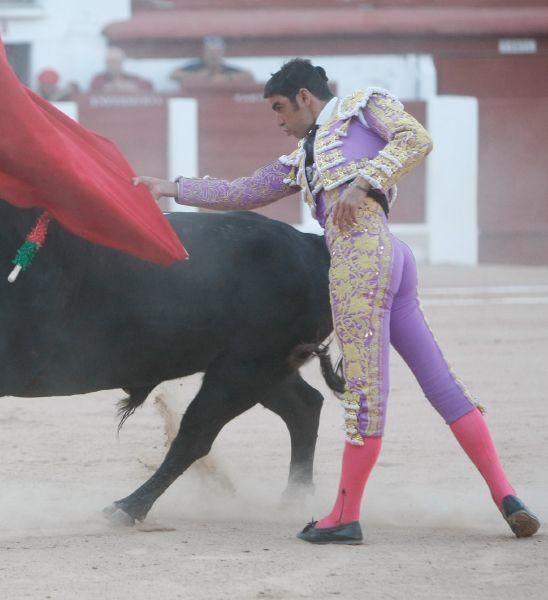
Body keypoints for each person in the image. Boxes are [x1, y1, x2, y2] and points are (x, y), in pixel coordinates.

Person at [134, 58, 540, 544]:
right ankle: (506, 496)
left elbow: (416, 139)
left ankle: (345, 516)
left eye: (281, 108)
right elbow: (244, 190)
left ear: (306, 96)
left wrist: (363, 183)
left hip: (359, 261)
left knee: (366, 398)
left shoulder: (363, 105)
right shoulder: (304, 155)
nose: (279, 121)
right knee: (441, 385)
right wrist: (171, 188)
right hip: (392, 257)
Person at [170, 35, 258, 91]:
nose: (214, 56)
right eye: (210, 52)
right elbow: (174, 74)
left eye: (217, 52)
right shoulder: (196, 67)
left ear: (222, 52)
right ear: (204, 52)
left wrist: (227, 78)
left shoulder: (227, 69)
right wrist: (197, 77)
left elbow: (249, 75)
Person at [89, 46, 153, 94]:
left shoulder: (134, 79)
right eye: (110, 61)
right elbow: (92, 94)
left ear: (122, 62)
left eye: (116, 61)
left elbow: (149, 87)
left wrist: (133, 88)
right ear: (106, 62)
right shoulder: (98, 79)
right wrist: (111, 88)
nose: (113, 65)